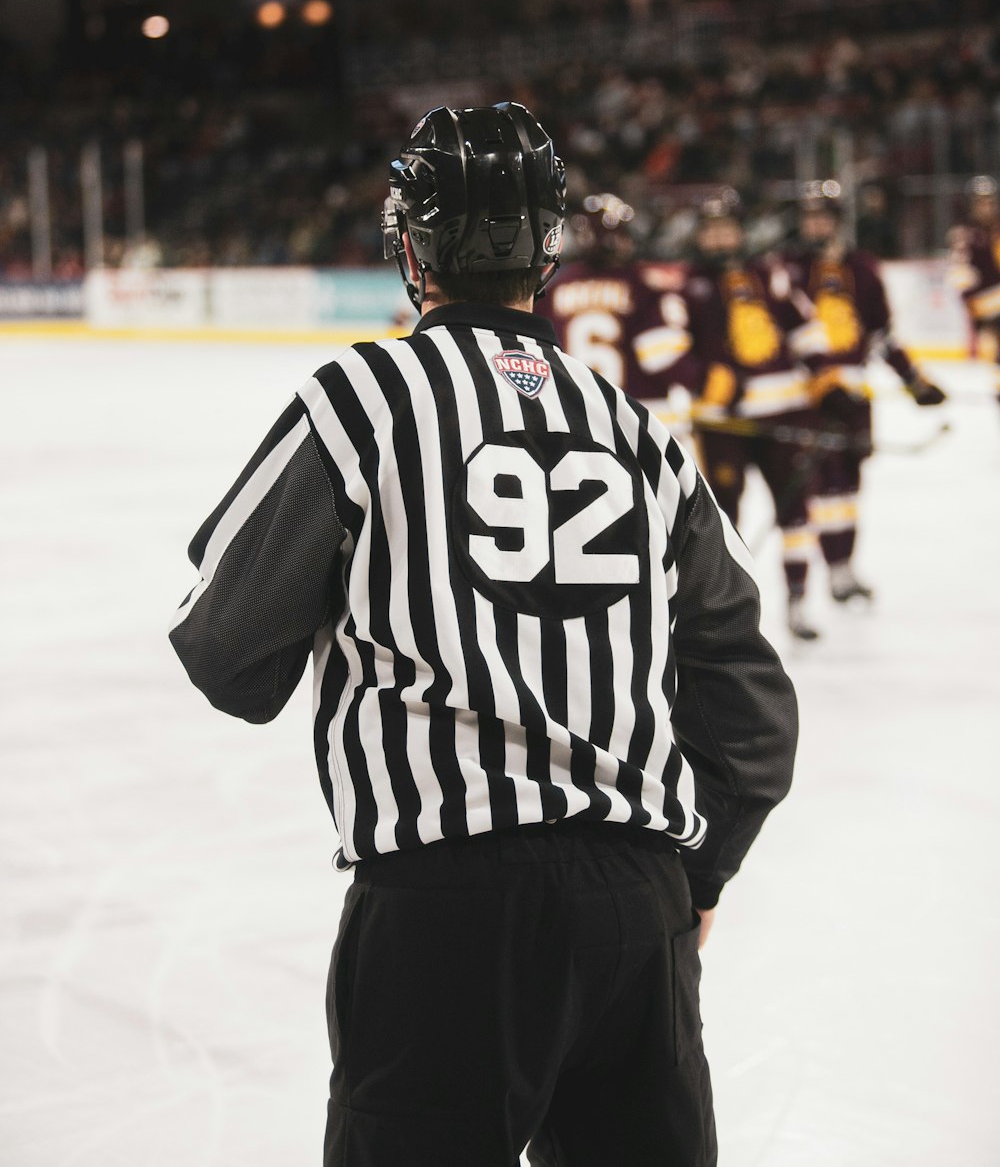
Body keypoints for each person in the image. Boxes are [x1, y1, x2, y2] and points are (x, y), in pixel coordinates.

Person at [169, 103, 798, 1167]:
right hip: (637, 909)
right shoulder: (639, 435)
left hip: (441, 908)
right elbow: (748, 702)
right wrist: (700, 879)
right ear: (545, 250)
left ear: (407, 245)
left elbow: (226, 649)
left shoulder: (362, 398)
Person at [655, 192, 831, 641]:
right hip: (723, 425)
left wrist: (829, 387)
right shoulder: (685, 285)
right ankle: (730, 610)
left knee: (796, 512)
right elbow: (666, 350)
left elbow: (806, 329)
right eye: (710, 228)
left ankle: (797, 599)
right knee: (722, 519)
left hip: (783, 418)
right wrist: (706, 380)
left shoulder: (768, 273)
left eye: (726, 227)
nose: (719, 236)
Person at [783, 180, 946, 602]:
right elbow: (784, 335)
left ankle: (843, 569)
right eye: (809, 218)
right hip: (811, 398)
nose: (815, 225)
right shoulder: (787, 268)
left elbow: (880, 335)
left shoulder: (862, 266)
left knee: (850, 487)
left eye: (823, 217)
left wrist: (915, 381)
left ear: (837, 221)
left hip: (856, 397)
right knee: (823, 485)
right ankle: (825, 573)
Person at [548, 191, 689, 428]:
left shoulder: (555, 287)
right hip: (642, 414)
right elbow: (659, 353)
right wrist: (703, 380)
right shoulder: (640, 283)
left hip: (577, 416)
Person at [950, 174, 1000, 408]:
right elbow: (961, 279)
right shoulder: (965, 236)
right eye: (980, 202)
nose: (985, 207)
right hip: (987, 310)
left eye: (989, 201)